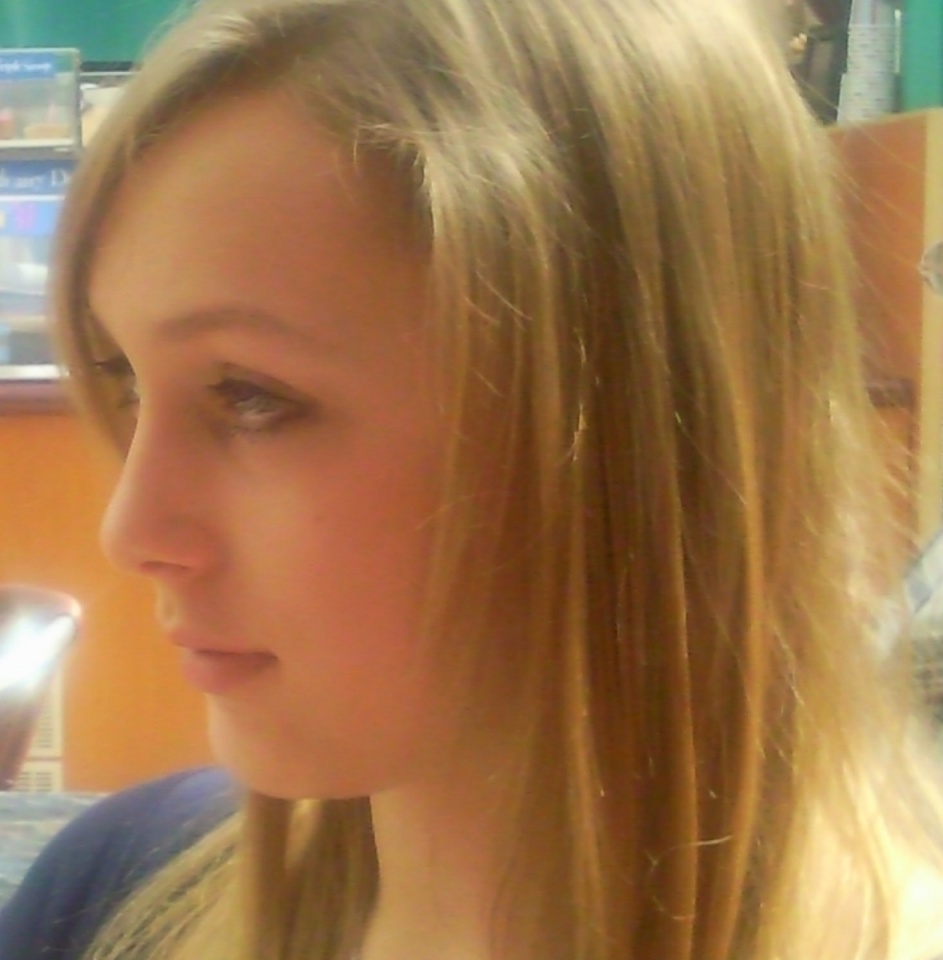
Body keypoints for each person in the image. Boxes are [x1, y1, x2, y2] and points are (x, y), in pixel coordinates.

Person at [3, 0, 943, 958]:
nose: (131, 532)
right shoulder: (104, 895)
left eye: (251, 397)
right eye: (124, 379)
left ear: (630, 420)